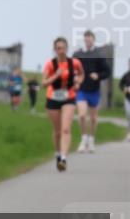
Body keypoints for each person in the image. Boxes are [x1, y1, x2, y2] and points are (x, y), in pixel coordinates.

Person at [42, 37, 84, 171]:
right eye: (58, 48)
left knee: (66, 129)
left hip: (69, 97)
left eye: (63, 48)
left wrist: (78, 83)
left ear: (67, 49)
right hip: (53, 97)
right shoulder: (50, 64)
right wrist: (55, 75)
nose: (61, 51)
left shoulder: (75, 62)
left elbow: (82, 74)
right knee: (57, 131)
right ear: (55, 50)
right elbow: (43, 83)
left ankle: (64, 158)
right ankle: (57, 153)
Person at [74, 30, 111, 153]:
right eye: (86, 39)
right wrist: (74, 77)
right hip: (82, 89)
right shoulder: (78, 54)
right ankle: (83, 139)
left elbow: (107, 72)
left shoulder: (99, 54)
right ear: (84, 40)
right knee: (82, 115)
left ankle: (92, 140)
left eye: (90, 39)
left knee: (94, 118)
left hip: (94, 90)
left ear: (93, 40)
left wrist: (98, 75)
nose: (88, 41)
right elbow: (71, 68)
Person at [119, 60, 130, 140]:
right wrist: (124, 89)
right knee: (129, 115)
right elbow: (120, 85)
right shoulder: (126, 75)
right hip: (128, 98)